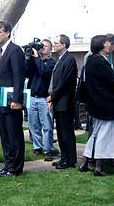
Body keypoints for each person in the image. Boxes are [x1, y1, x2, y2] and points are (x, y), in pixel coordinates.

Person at [79, 35, 114, 176]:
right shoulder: (100, 62)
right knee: (104, 136)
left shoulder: (90, 60)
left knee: (95, 134)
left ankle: (85, 163)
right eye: (106, 42)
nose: (109, 44)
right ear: (102, 45)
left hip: (95, 104)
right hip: (105, 104)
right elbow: (111, 83)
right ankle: (98, 167)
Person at [0, 21, 25, 177]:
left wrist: (18, 100)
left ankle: (16, 168)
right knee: (5, 136)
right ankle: (8, 165)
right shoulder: (0, 52)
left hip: (12, 102)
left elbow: (18, 76)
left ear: (7, 33)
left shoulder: (15, 50)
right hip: (1, 102)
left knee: (14, 136)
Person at [47, 34, 78, 169]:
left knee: (66, 133)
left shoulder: (69, 59)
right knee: (60, 132)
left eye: (56, 43)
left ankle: (70, 160)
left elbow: (64, 81)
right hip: (59, 102)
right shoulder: (60, 59)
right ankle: (64, 157)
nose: (54, 46)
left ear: (64, 44)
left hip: (65, 102)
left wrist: (52, 95)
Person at [25, 39, 56, 161]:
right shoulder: (34, 60)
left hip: (44, 98)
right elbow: (26, 72)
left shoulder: (52, 62)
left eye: (45, 46)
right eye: (41, 45)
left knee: (47, 126)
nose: (42, 47)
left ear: (50, 49)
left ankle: (48, 150)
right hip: (32, 97)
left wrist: (37, 57)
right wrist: (28, 58)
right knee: (33, 125)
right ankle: (37, 148)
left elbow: (43, 72)